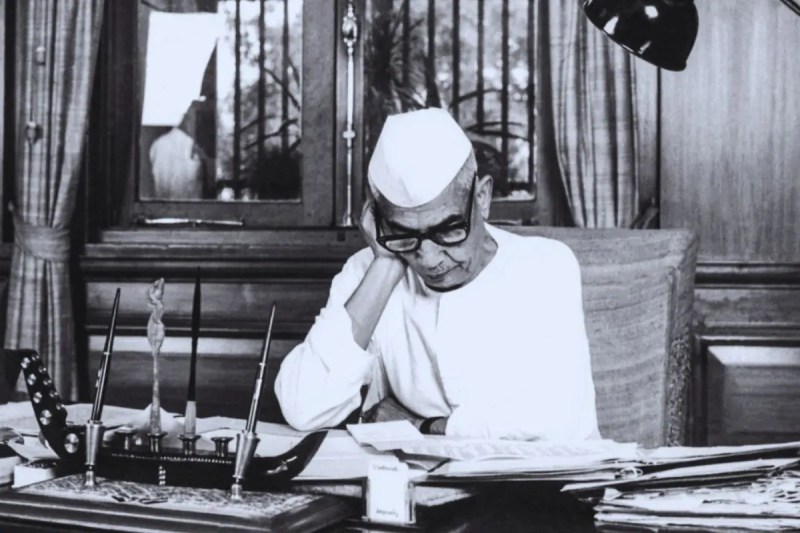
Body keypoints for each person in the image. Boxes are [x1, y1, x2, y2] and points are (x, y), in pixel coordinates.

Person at [275, 108, 599, 440]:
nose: (429, 259)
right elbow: (304, 408)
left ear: (482, 198)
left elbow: (557, 420)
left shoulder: (544, 265)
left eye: (448, 230)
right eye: (404, 233)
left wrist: (422, 427)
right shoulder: (370, 269)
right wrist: (386, 266)